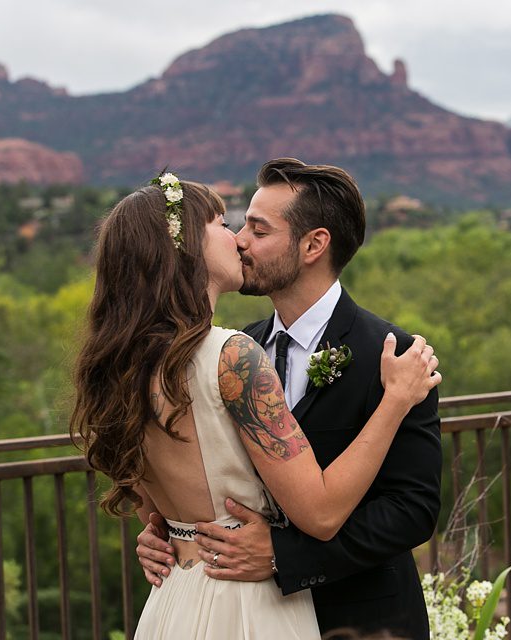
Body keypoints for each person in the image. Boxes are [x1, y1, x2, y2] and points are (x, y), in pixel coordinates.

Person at [70, 172, 441, 639]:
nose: (240, 241)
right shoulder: (236, 350)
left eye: (258, 230)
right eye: (229, 226)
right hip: (246, 611)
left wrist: (282, 555)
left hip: (359, 617)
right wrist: (169, 533)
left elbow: (414, 508)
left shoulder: (390, 355)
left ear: (313, 246)